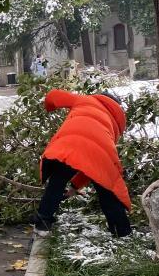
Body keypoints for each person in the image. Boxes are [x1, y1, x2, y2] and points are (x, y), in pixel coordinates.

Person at [34, 89, 132, 238]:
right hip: (100, 154)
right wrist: (75, 186)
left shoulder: (84, 100)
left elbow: (54, 95)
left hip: (67, 144)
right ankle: (122, 232)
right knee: (107, 191)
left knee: (57, 181)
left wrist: (49, 107)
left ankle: (43, 224)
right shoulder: (113, 124)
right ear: (116, 109)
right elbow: (91, 164)